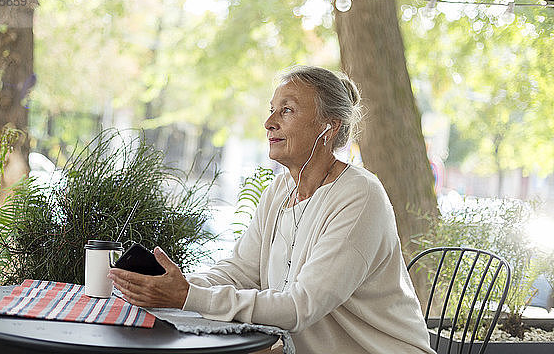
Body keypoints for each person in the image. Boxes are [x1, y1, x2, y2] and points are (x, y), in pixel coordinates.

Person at [108, 65, 435, 354]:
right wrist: (173, 285)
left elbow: (299, 306)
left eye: (287, 111)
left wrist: (186, 297)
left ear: (328, 127)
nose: (269, 123)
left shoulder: (360, 195)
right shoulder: (280, 190)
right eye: (271, 110)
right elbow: (239, 273)